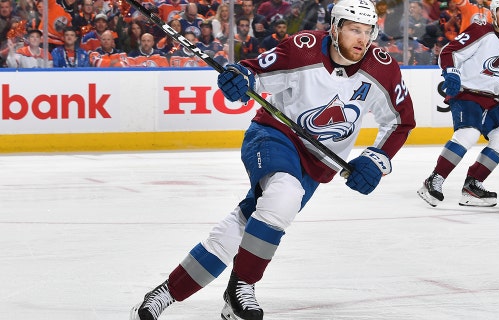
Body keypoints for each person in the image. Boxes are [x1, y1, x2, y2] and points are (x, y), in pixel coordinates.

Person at [129, 0, 415, 319]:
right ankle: (242, 287)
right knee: (284, 195)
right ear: (334, 29)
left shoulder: (382, 68)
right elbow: (254, 72)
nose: (362, 39)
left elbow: (400, 121)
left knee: (241, 227)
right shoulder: (303, 49)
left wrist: (376, 159)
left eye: (367, 32)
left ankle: (166, 292)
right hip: (274, 136)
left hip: (319, 165)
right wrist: (240, 78)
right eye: (353, 30)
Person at [417, 0, 499, 208]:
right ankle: (434, 180)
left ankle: (472, 186)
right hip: (466, 94)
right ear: (493, 13)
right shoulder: (480, 31)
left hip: (490, 99)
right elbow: (449, 52)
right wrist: (451, 73)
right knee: (468, 134)